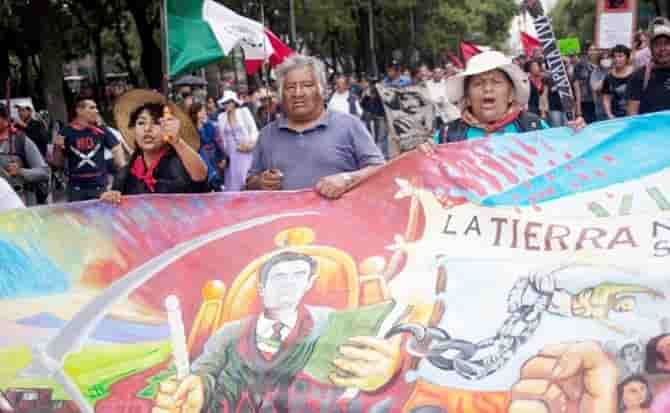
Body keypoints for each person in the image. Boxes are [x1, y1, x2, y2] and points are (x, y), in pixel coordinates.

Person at [151, 251, 405, 412]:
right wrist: (196, 393)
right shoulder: (230, 333)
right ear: (261, 288)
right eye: (279, 277)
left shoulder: (333, 324)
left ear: (309, 284)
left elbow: (400, 331)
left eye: (298, 275)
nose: (288, 284)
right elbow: (203, 375)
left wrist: (389, 373)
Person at [245, 54, 385, 199]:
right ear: (281, 94)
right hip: (285, 214)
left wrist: (347, 179)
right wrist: (261, 182)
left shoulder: (349, 125)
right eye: (290, 87)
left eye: (307, 85)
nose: (298, 93)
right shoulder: (267, 134)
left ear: (321, 89)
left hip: (342, 213)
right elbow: (249, 184)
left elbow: (380, 170)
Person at [423, 51, 584, 146]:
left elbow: (561, 163)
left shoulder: (534, 127)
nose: (487, 88)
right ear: (468, 98)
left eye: (496, 82)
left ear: (511, 94)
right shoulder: (446, 136)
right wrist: (422, 154)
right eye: (478, 84)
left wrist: (574, 136)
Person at [99, 91, 208, 203]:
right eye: (141, 123)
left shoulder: (181, 163)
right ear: (133, 130)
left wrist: (177, 141)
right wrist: (111, 197)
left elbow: (200, 175)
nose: (147, 129)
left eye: (156, 123)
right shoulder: (125, 174)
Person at [52, 97, 126, 202]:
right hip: (76, 190)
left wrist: (122, 172)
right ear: (79, 111)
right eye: (92, 108)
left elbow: (117, 149)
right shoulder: (65, 132)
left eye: (96, 107)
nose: (96, 111)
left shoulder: (101, 130)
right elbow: (57, 163)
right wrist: (58, 148)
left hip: (100, 188)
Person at [0, 104, 49, 207]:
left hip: (18, 202)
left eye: (23, 110)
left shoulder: (20, 140)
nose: (20, 113)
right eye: (19, 111)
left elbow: (44, 172)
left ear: (5, 119)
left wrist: (20, 172)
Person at [217, 90, 258, 192]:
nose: (227, 104)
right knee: (232, 183)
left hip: (245, 151)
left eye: (229, 102)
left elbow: (254, 130)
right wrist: (223, 156)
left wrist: (250, 145)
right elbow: (220, 139)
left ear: (234, 102)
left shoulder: (244, 112)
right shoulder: (221, 117)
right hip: (230, 155)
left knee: (246, 179)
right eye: (225, 102)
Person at [627, 18, 670, 116]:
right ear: (650, 48)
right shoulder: (639, 77)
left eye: (667, 43)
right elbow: (632, 114)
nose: (662, 49)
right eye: (657, 44)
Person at [190, 102, 226, 191]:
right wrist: (200, 129)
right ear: (196, 113)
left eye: (204, 110)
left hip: (211, 154)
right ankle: (212, 177)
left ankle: (213, 178)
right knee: (202, 150)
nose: (204, 112)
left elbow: (212, 140)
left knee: (207, 152)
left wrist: (223, 157)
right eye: (201, 111)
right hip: (199, 155)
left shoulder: (209, 124)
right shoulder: (191, 127)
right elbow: (198, 142)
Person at [603, 44, 634, 119]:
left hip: (633, 116)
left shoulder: (635, 74)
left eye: (620, 56)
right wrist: (609, 114)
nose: (617, 59)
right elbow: (606, 98)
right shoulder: (608, 77)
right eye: (614, 57)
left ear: (627, 58)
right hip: (615, 117)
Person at [574, 44, 600, 123]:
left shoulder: (603, 65)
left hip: (601, 103)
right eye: (591, 50)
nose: (593, 52)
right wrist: (578, 109)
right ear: (587, 52)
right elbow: (577, 87)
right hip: (586, 101)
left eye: (595, 50)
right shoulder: (580, 65)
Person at [592, 51, 613, 121]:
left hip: (614, 107)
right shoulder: (596, 71)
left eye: (607, 58)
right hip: (601, 108)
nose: (605, 60)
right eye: (603, 58)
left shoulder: (616, 70)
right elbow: (595, 87)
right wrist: (606, 76)